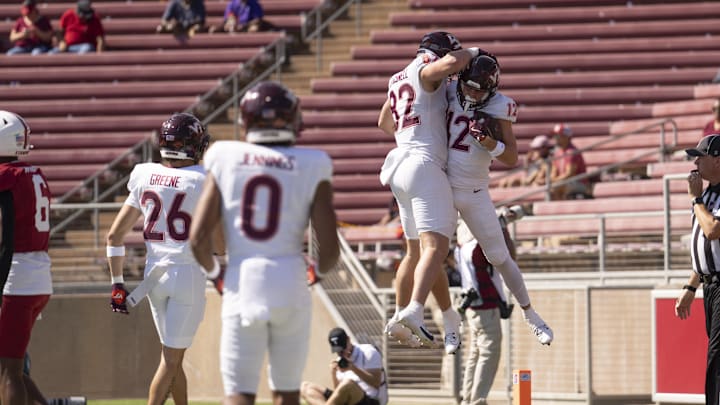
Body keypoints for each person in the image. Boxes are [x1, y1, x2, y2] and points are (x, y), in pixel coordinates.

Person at [189, 80, 340, 405]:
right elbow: (329, 250)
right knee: (286, 392)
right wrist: (316, 274)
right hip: (290, 279)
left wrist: (217, 275)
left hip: (242, 279)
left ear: (246, 120)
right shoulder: (312, 162)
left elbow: (198, 238)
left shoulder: (224, 156)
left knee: (239, 392)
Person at [376, 31, 480, 354]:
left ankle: (409, 313)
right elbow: (450, 62)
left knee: (417, 252)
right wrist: (472, 52)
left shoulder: (397, 78)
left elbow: (384, 122)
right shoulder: (425, 67)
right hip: (424, 164)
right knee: (437, 248)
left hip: (400, 166)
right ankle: (415, 309)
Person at [105, 113, 219, 405]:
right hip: (187, 276)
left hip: (153, 276)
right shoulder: (203, 179)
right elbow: (219, 244)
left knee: (173, 357)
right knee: (170, 360)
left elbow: (114, 237)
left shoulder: (145, 174)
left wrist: (117, 284)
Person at [445, 54, 553, 345]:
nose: (473, 94)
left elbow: (512, 156)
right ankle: (447, 321)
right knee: (428, 254)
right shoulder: (445, 90)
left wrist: (490, 143)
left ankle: (530, 314)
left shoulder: (500, 106)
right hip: (441, 186)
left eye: (480, 89)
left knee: (500, 255)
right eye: (469, 87)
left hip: (475, 189)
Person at [0, 111, 54, 405]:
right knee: (11, 365)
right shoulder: (33, 174)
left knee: (9, 370)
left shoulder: (7, 176)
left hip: (16, 278)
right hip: (37, 276)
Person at [676, 133, 720, 405]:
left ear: (717, 160)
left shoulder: (701, 199)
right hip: (710, 286)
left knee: (717, 356)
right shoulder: (707, 195)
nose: (695, 164)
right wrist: (691, 286)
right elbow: (706, 249)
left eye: (700, 157)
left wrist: (695, 200)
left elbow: (713, 230)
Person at [455, 215, 516, 405]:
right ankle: (478, 398)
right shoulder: (478, 249)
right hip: (485, 306)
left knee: (475, 352)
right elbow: (508, 258)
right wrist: (502, 229)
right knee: (489, 353)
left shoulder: (463, 248)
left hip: (474, 305)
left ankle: (468, 398)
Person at [300, 328, 388, 405]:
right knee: (305, 387)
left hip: (371, 400)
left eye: (343, 349)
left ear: (348, 340)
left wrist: (353, 368)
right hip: (349, 400)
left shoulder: (368, 352)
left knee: (348, 384)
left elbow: (376, 383)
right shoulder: (340, 362)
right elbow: (338, 394)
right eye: (338, 351)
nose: (342, 353)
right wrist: (333, 374)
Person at [548, 123, 590, 200]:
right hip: (565, 181)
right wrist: (552, 180)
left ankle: (559, 209)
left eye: (558, 135)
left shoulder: (572, 151)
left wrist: (554, 181)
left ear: (566, 137)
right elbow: (554, 171)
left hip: (579, 183)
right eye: (555, 135)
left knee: (557, 187)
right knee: (550, 187)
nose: (555, 138)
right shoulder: (557, 152)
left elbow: (569, 174)